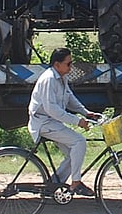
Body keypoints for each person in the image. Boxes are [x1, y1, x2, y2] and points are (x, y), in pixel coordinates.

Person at [28, 47, 102, 196]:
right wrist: (77, 121)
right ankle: (76, 183)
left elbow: (70, 98)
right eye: (68, 64)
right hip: (43, 123)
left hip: (52, 122)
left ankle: (54, 185)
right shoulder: (49, 79)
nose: (70, 67)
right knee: (79, 141)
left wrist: (86, 112)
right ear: (57, 65)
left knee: (73, 154)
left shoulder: (62, 77)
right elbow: (52, 109)